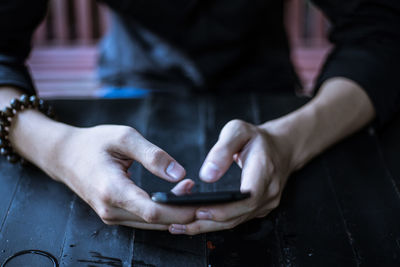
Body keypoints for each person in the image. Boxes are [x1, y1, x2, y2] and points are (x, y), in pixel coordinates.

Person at [0, 0, 399, 235]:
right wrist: (61, 148)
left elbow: (382, 31)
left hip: (270, 95)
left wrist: (291, 141)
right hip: (127, 88)